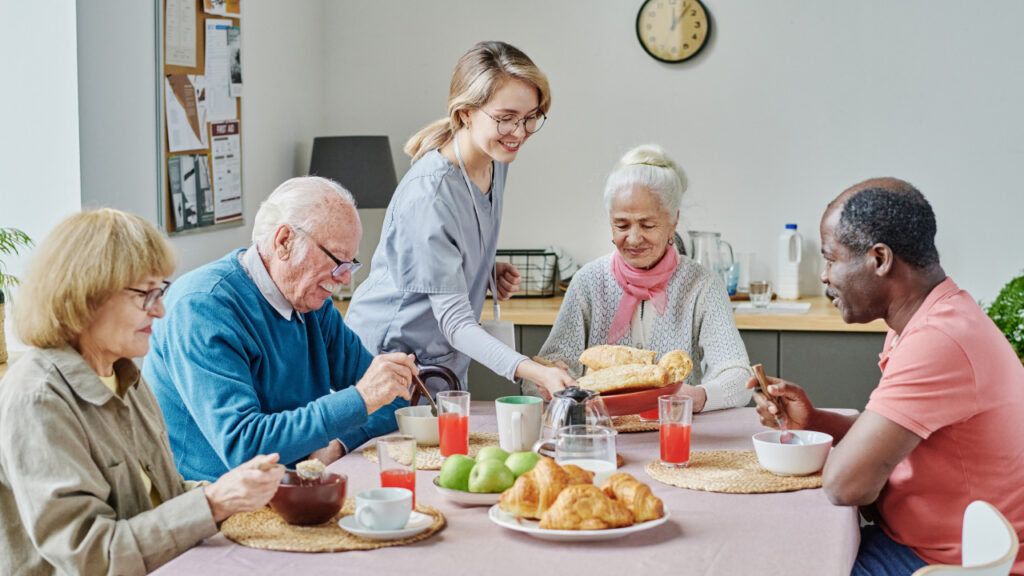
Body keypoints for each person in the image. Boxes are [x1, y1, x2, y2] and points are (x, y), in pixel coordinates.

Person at [748, 178, 1024, 575]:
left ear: (879, 259)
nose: (824, 276)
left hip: (947, 564)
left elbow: (846, 486)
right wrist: (816, 422)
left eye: (830, 259)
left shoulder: (938, 339)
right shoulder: (930, 317)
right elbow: (900, 433)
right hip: (925, 545)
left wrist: (851, 464)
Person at [0, 209, 284, 575]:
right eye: (147, 294)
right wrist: (212, 503)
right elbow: (90, 556)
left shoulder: (126, 376)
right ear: (88, 296)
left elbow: (159, 498)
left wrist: (242, 493)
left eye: (160, 291)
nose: (162, 310)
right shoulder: (38, 400)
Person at [144, 177, 416, 482]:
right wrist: (360, 400)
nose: (345, 281)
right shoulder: (202, 308)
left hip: (296, 488)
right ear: (284, 241)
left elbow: (394, 395)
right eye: (337, 261)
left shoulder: (313, 305)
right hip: (215, 505)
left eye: (350, 265)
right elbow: (245, 448)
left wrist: (338, 443)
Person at [344, 41, 572, 399]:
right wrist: (534, 370)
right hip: (388, 357)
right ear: (465, 113)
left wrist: (480, 268)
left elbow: (447, 244)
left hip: (440, 362)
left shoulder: (494, 161)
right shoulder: (430, 193)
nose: (520, 132)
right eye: (506, 118)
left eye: (531, 117)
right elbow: (455, 323)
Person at [534, 144, 752, 411]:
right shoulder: (588, 282)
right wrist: (548, 378)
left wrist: (697, 396)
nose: (634, 238)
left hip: (674, 430)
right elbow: (545, 368)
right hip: (600, 431)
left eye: (647, 225)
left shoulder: (702, 285)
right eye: (622, 225)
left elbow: (740, 378)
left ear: (674, 221)